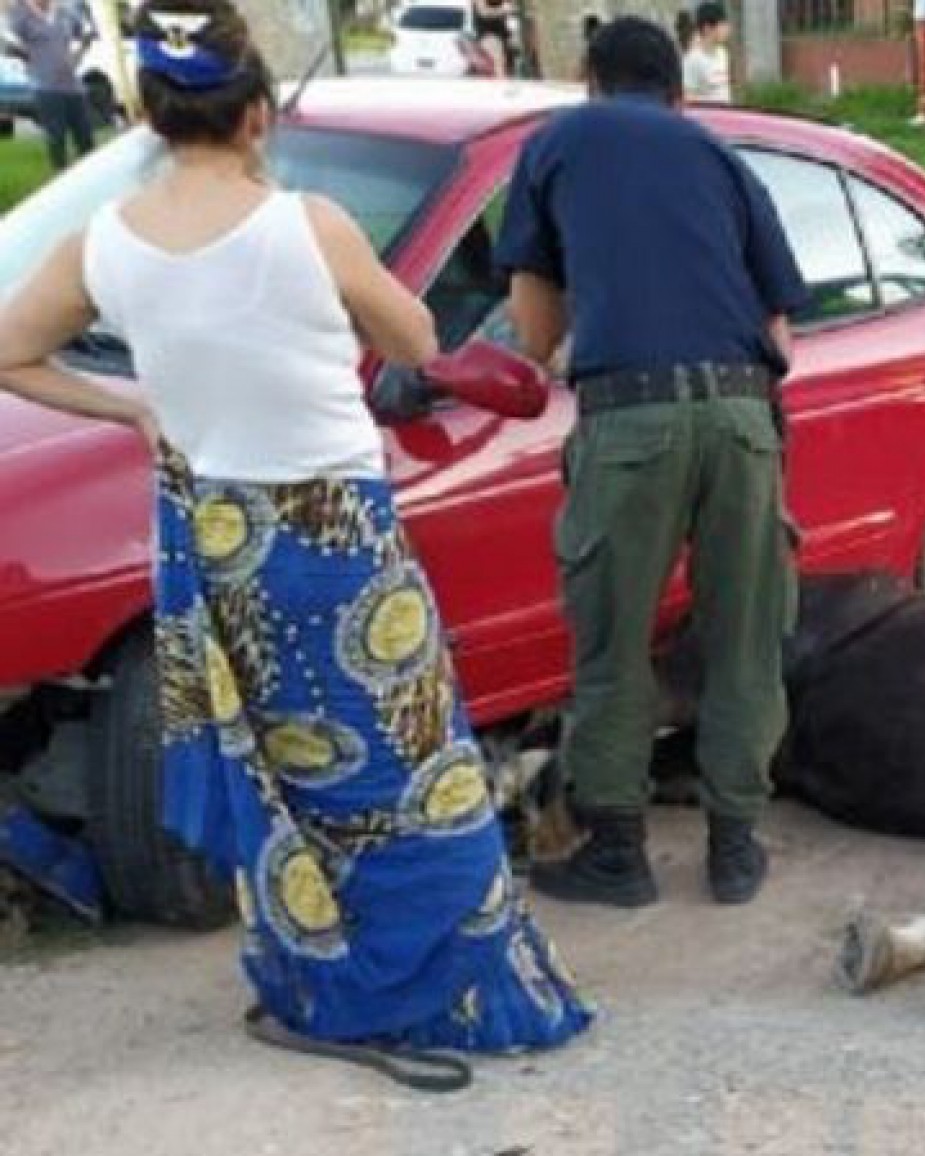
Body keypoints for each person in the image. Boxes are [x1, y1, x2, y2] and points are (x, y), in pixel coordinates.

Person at [0, 0, 589, 1079]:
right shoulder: (309, 225)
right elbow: (417, 339)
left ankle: (315, 979)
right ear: (258, 114)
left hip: (215, 542)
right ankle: (446, 991)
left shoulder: (102, 244)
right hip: (332, 542)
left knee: (274, 777)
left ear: (146, 110)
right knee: (413, 774)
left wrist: (134, 406)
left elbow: (10, 351)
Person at [496, 16, 807, 909]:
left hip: (630, 420)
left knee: (614, 644)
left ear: (589, 79)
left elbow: (534, 334)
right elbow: (781, 332)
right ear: (677, 92)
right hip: (743, 416)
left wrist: (583, 342)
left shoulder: (553, 145)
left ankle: (618, 857)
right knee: (745, 641)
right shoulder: (722, 158)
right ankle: (735, 850)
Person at [6, 0, 98, 171]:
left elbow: (86, 32)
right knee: (57, 138)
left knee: (86, 138)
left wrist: (78, 54)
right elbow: (9, 43)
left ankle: (93, 176)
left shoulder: (64, 11)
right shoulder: (21, 14)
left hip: (73, 86)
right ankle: (62, 177)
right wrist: (29, 58)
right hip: (46, 87)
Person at [680, 1, 732, 104]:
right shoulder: (692, 60)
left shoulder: (722, 53)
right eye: (723, 25)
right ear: (707, 28)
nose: (728, 29)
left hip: (725, 112)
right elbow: (685, 97)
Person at [471, 0, 515, 76]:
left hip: (502, 32)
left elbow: (510, 7)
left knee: (508, 64)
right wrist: (504, 10)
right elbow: (485, 13)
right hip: (488, 33)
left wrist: (510, 7)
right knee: (499, 62)